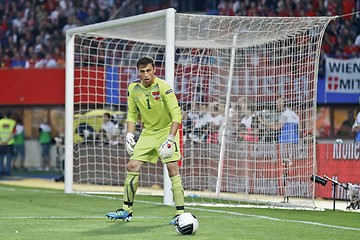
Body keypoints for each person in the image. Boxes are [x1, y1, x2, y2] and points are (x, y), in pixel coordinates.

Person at [106, 56, 185, 224]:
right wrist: (129, 134)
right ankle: (127, 210)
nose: (146, 74)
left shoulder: (164, 87)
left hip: (167, 131)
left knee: (172, 169)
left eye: (149, 70)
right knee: (132, 166)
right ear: (138, 72)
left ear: (154, 70)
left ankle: (180, 213)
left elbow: (177, 114)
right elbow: (132, 114)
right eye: (142, 71)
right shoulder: (133, 89)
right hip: (148, 133)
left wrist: (170, 138)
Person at [0, 112, 16, 177]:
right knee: (9, 158)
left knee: (1, 158)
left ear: (4, 115)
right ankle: (7, 172)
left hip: (0, 143)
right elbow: (13, 133)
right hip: (9, 143)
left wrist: (2, 141)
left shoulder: (0, 122)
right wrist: (7, 141)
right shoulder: (13, 122)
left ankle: (0, 171)